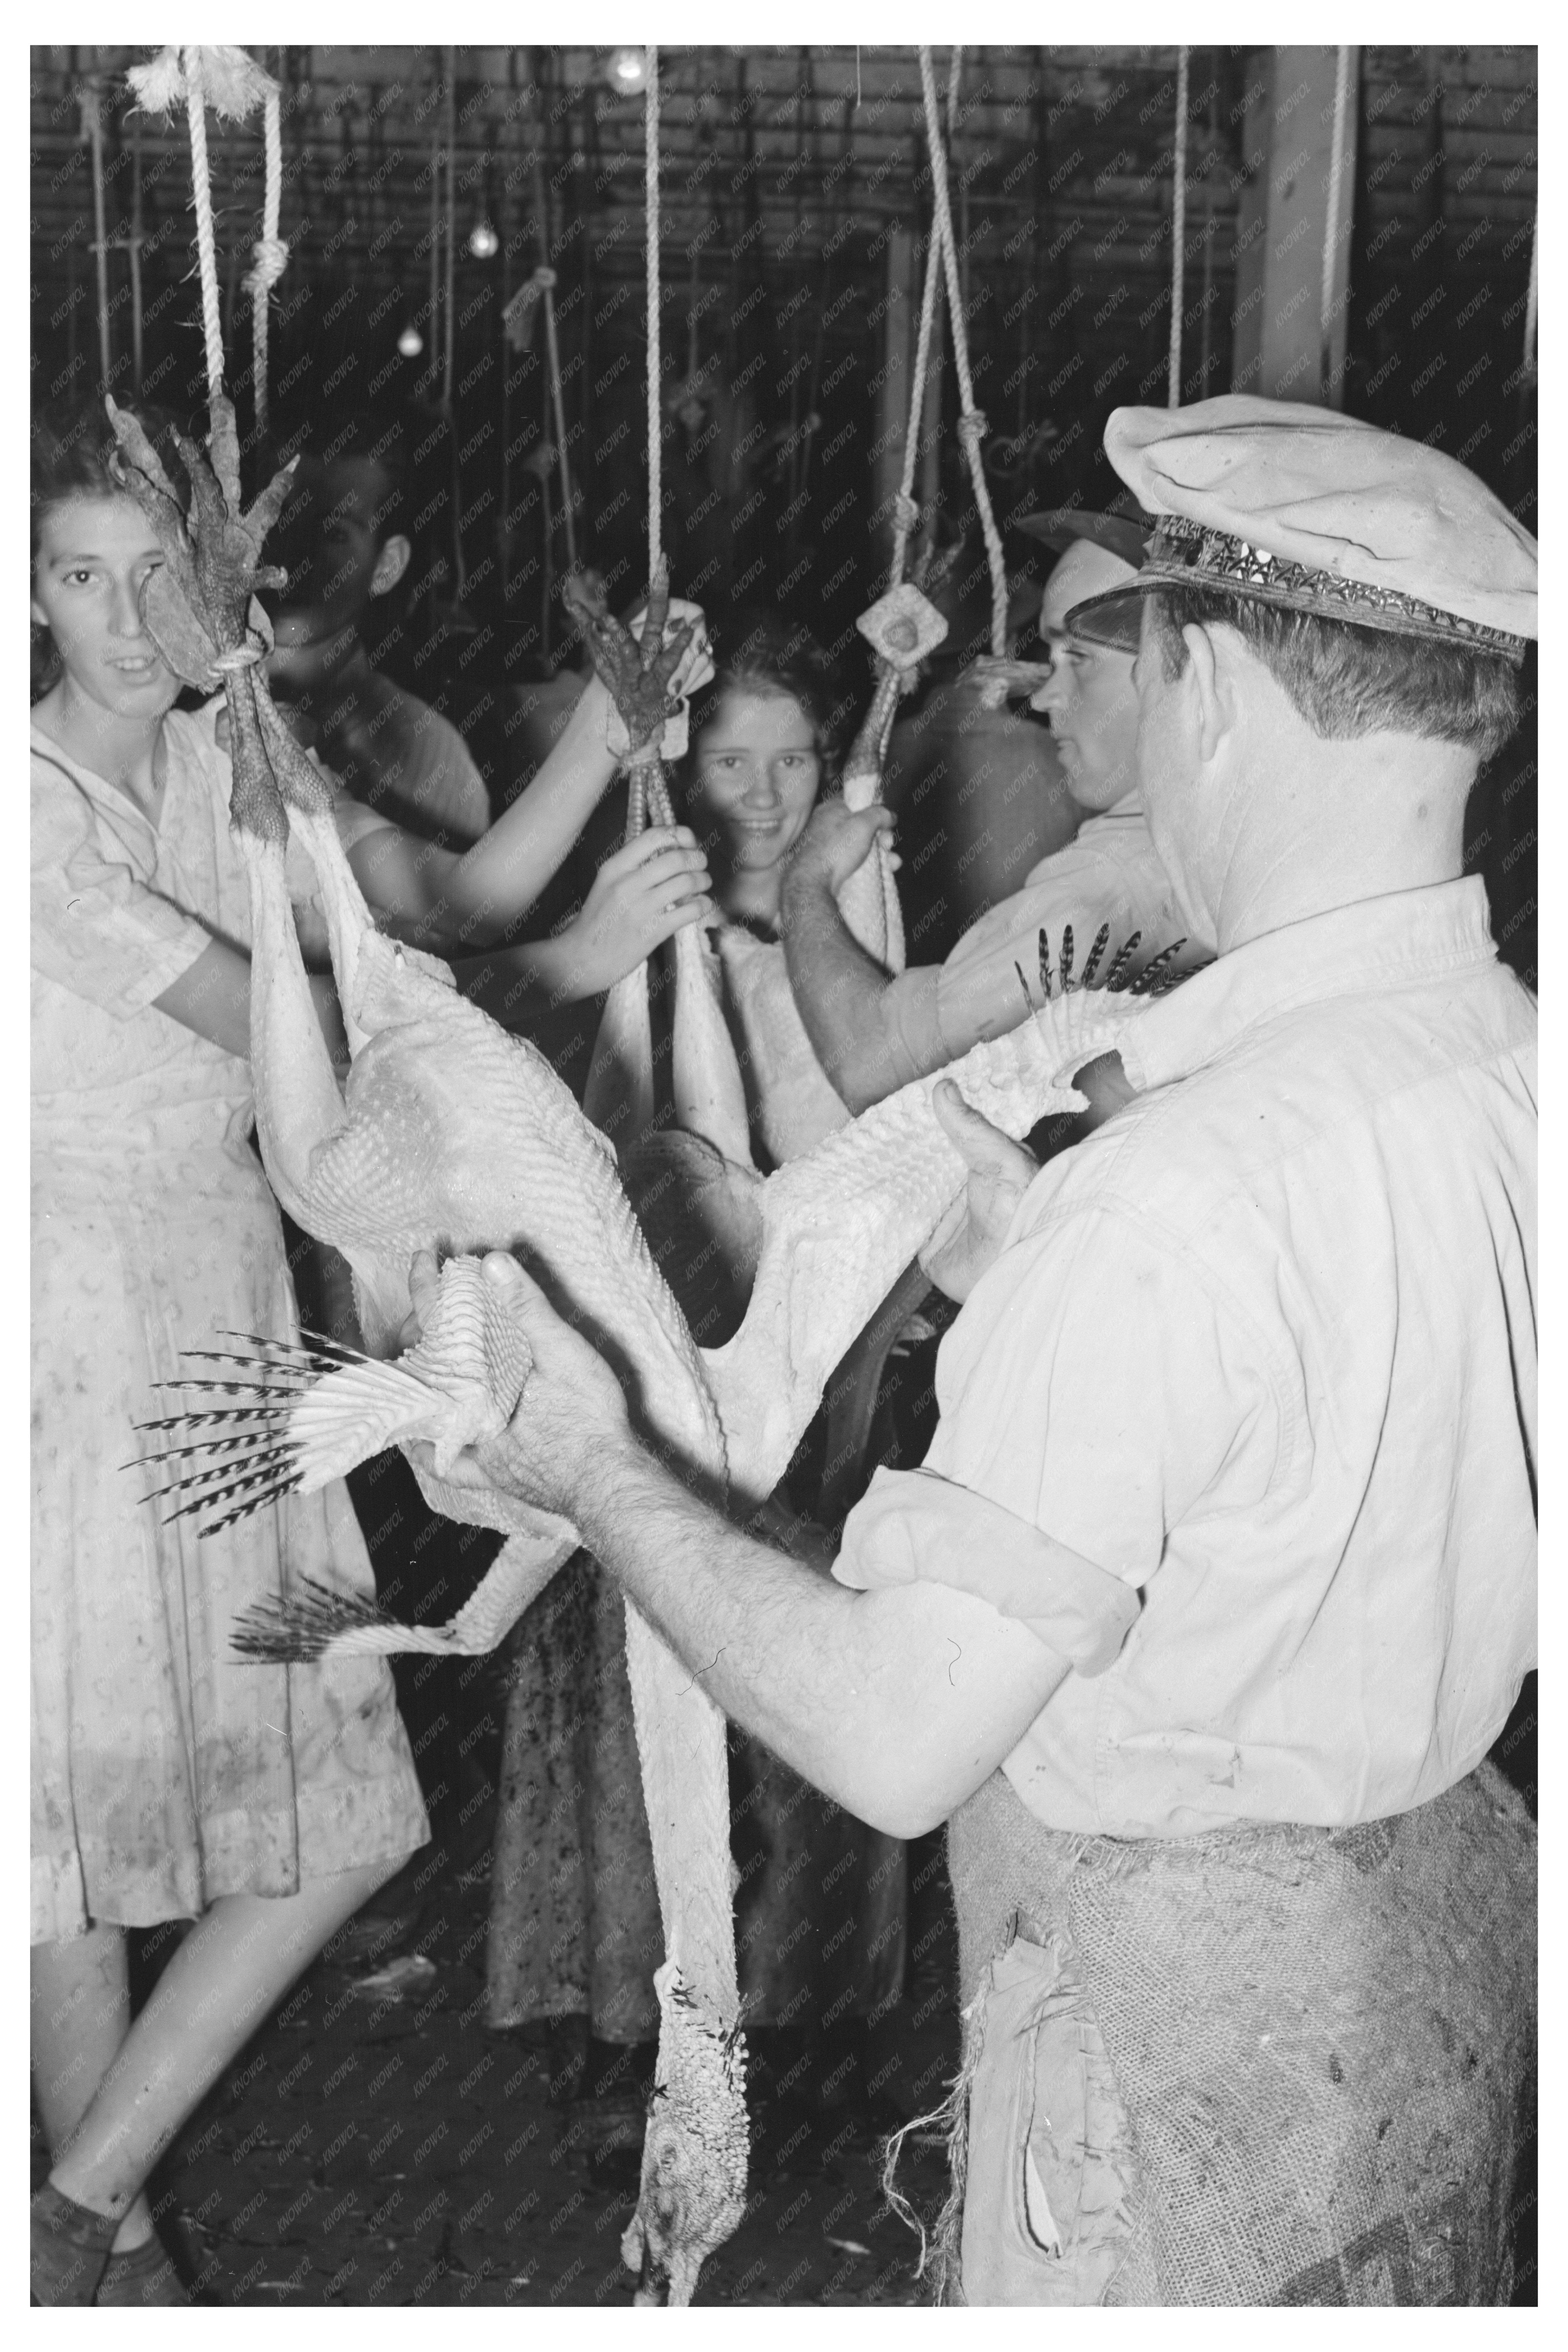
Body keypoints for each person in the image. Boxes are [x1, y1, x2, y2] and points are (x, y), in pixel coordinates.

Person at [404, 396, 1536, 2306]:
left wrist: (595, 1461)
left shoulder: (1173, 1198)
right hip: (1414, 2019)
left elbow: (894, 1737)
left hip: (1171, 2100)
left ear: (1217, 691)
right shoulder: (1506, 1063)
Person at [28, 394, 712, 2304]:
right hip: (62, 1321)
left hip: (220, 1292)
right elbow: (302, 1026)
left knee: (326, 1805)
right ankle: (109, 2257)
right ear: (29, 591)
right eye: (76, 576)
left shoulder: (232, 757)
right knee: (70, 1833)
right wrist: (571, 974)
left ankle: (74, 2209)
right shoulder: (24, 806)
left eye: (154, 574)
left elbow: (447, 904)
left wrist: (608, 735)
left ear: (214, 582)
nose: (122, 618)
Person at [485, 624, 904, 2166]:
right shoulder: (636, 943)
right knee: (650, 1665)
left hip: (823, 1366)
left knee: (811, 1651)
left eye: (795, 760)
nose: (768, 793)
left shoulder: (848, 931)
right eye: (732, 761)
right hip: (667, 1355)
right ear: (680, 772)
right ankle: (635, 2018)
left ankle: (808, 2019)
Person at [779, 507, 1190, 1116]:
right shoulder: (1195, 842)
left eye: (1079, 658)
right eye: (1049, 659)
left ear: (1179, 669)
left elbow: (871, 1065)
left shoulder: (1108, 882)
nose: (1045, 696)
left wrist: (804, 880)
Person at [260, 408, 493, 845]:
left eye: (334, 533)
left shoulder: (432, 759)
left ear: (386, 566)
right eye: (276, 516)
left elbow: (461, 888)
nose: (294, 557)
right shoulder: (170, 698)